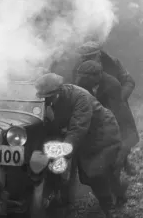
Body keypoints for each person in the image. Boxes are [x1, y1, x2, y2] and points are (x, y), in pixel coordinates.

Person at [35, 73, 123, 218]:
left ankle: (110, 209)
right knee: (84, 174)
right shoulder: (54, 100)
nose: (46, 101)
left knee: (95, 172)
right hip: (83, 135)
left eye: (49, 97)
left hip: (102, 133)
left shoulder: (80, 97)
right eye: (45, 98)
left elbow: (77, 129)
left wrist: (62, 152)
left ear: (59, 91)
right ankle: (64, 202)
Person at [74, 41, 139, 175]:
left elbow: (129, 81)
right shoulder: (80, 67)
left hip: (115, 104)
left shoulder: (112, 63)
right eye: (84, 57)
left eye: (91, 56)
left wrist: (118, 97)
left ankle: (125, 163)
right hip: (94, 106)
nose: (87, 60)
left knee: (122, 132)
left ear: (98, 54)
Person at [75, 60, 132, 204]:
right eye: (82, 76)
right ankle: (108, 197)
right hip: (94, 131)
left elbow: (118, 112)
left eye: (86, 76)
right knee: (95, 171)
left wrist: (122, 138)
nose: (83, 79)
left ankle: (119, 195)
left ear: (97, 75)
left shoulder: (112, 84)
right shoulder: (82, 85)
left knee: (113, 168)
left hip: (114, 127)